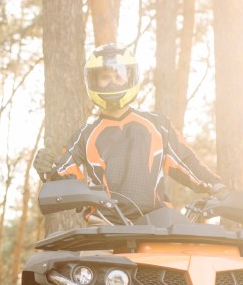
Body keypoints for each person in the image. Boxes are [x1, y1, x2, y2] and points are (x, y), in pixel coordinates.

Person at [34, 43, 226, 222]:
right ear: (94, 81)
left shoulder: (157, 124)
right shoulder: (85, 135)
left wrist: (217, 186)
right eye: (105, 77)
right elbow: (63, 175)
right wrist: (47, 170)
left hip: (157, 224)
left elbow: (185, 162)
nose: (112, 83)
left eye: (118, 77)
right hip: (105, 229)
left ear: (130, 78)